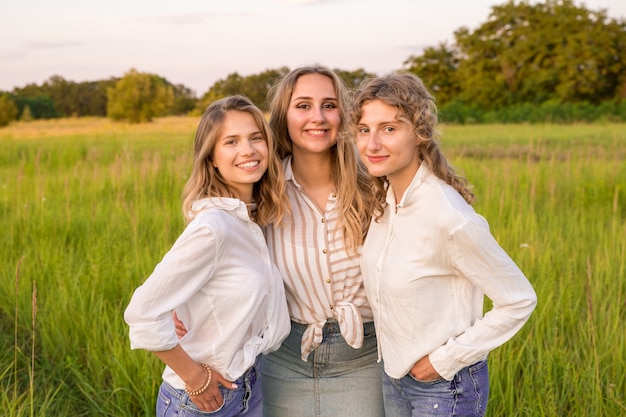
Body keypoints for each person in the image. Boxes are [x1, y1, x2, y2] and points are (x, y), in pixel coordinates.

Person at [349, 72, 537, 417]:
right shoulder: (386, 203)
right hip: (395, 377)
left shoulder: (447, 215)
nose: (371, 144)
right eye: (364, 130)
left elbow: (519, 299)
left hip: (443, 388)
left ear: (420, 133)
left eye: (389, 128)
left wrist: (443, 360)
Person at [124, 95, 291, 417]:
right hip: (202, 401)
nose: (248, 150)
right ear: (212, 157)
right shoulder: (214, 227)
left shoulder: (253, 222)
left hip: (251, 387)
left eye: (256, 138)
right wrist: (195, 378)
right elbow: (143, 312)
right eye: (231, 142)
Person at [259, 65, 384, 417]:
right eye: (303, 105)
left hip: (364, 360)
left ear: (343, 115)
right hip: (283, 358)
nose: (318, 117)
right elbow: (216, 240)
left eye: (329, 105)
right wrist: (186, 303)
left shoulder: (375, 186)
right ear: (284, 115)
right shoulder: (263, 192)